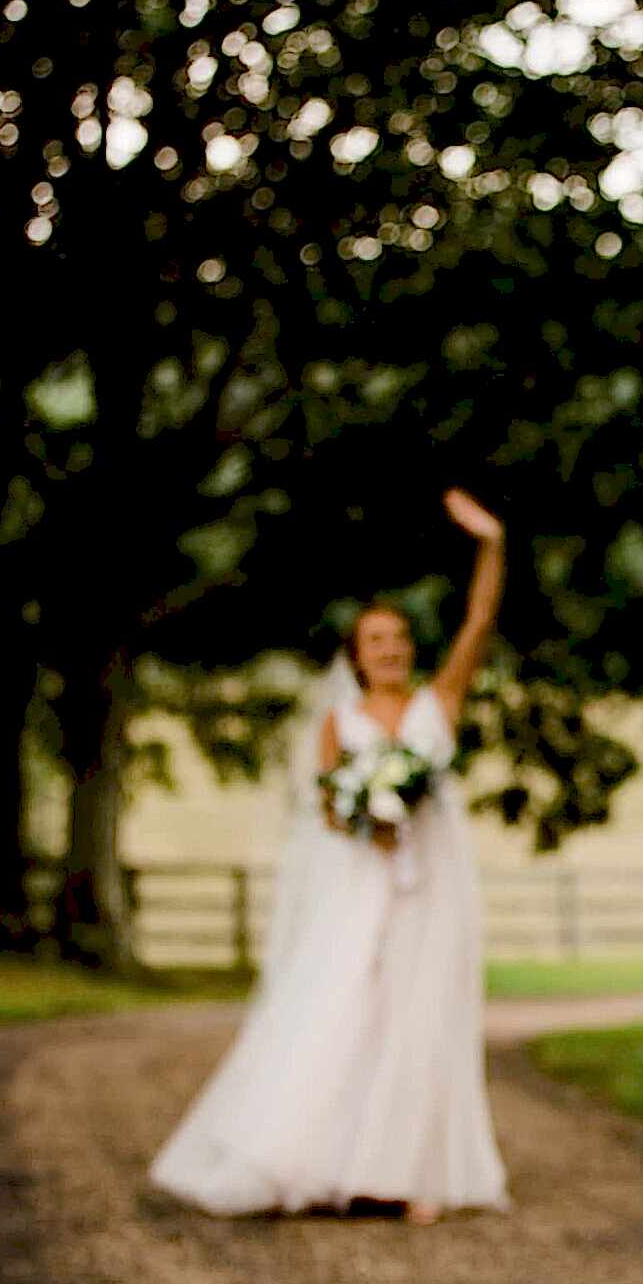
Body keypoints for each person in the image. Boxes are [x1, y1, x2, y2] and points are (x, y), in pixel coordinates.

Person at [151, 487, 511, 1222]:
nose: (392, 650)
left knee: (421, 1014)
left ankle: (411, 1174)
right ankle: (322, 1159)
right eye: (376, 641)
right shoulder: (338, 721)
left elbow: (478, 620)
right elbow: (323, 802)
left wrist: (491, 543)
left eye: (400, 639)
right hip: (361, 882)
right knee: (345, 1008)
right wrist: (364, 813)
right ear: (355, 655)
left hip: (431, 884)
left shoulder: (437, 703)